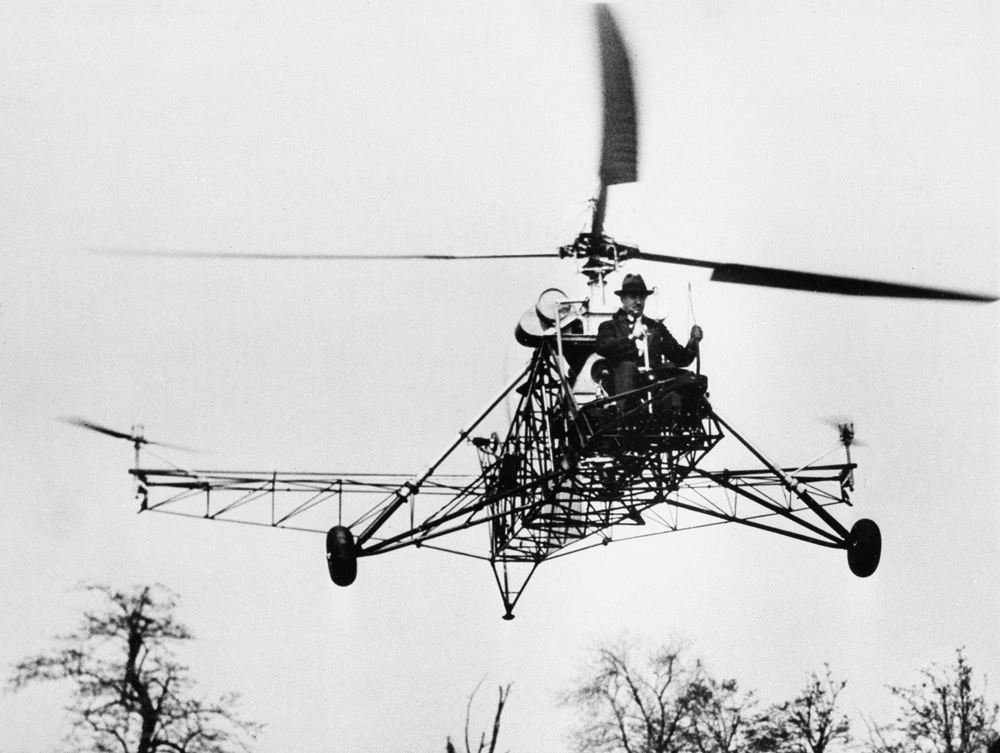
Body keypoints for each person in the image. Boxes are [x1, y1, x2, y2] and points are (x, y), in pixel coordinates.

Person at [596, 273, 704, 408]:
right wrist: (631, 337)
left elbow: (681, 359)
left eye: (641, 297)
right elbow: (603, 347)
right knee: (627, 366)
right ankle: (627, 417)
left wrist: (693, 343)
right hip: (620, 385)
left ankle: (671, 415)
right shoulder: (610, 326)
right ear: (623, 299)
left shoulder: (656, 328)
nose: (638, 301)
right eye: (633, 296)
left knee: (670, 367)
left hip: (652, 388)